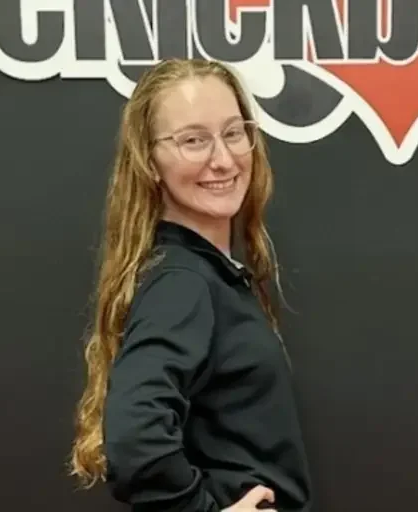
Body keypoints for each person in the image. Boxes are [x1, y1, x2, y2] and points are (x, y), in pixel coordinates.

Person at [70, 58, 312, 512]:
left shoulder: (205, 273)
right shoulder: (182, 282)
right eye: (193, 140)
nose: (223, 159)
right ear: (149, 161)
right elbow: (135, 439)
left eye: (233, 133)